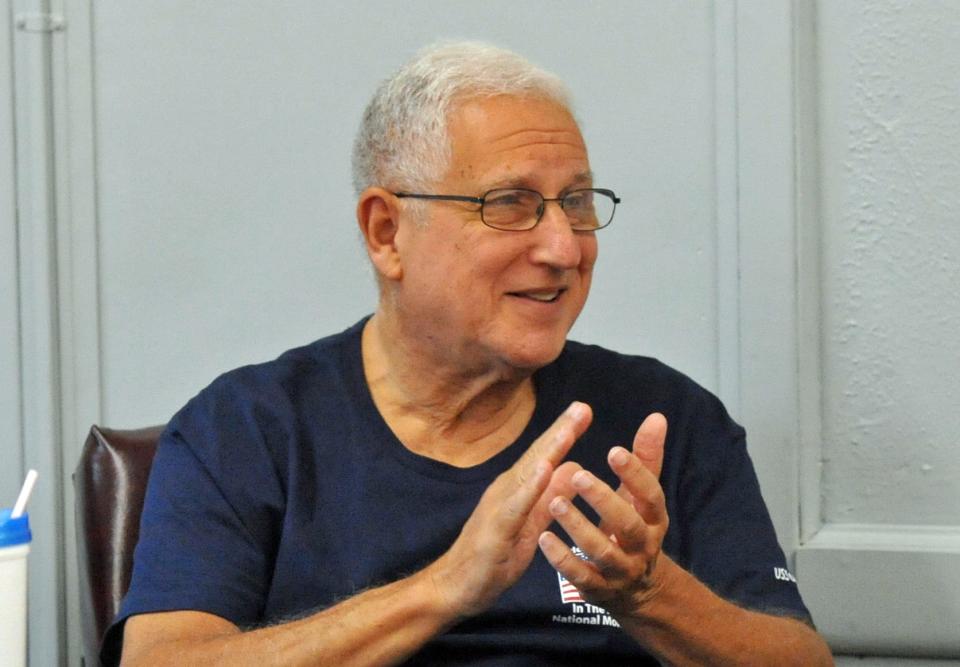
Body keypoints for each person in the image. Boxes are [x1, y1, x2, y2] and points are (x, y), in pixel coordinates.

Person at [106, 42, 833, 666]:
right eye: (510, 204)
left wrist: (648, 592)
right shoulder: (245, 429)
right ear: (388, 232)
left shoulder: (663, 420)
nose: (562, 248)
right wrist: (447, 585)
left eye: (577, 203)